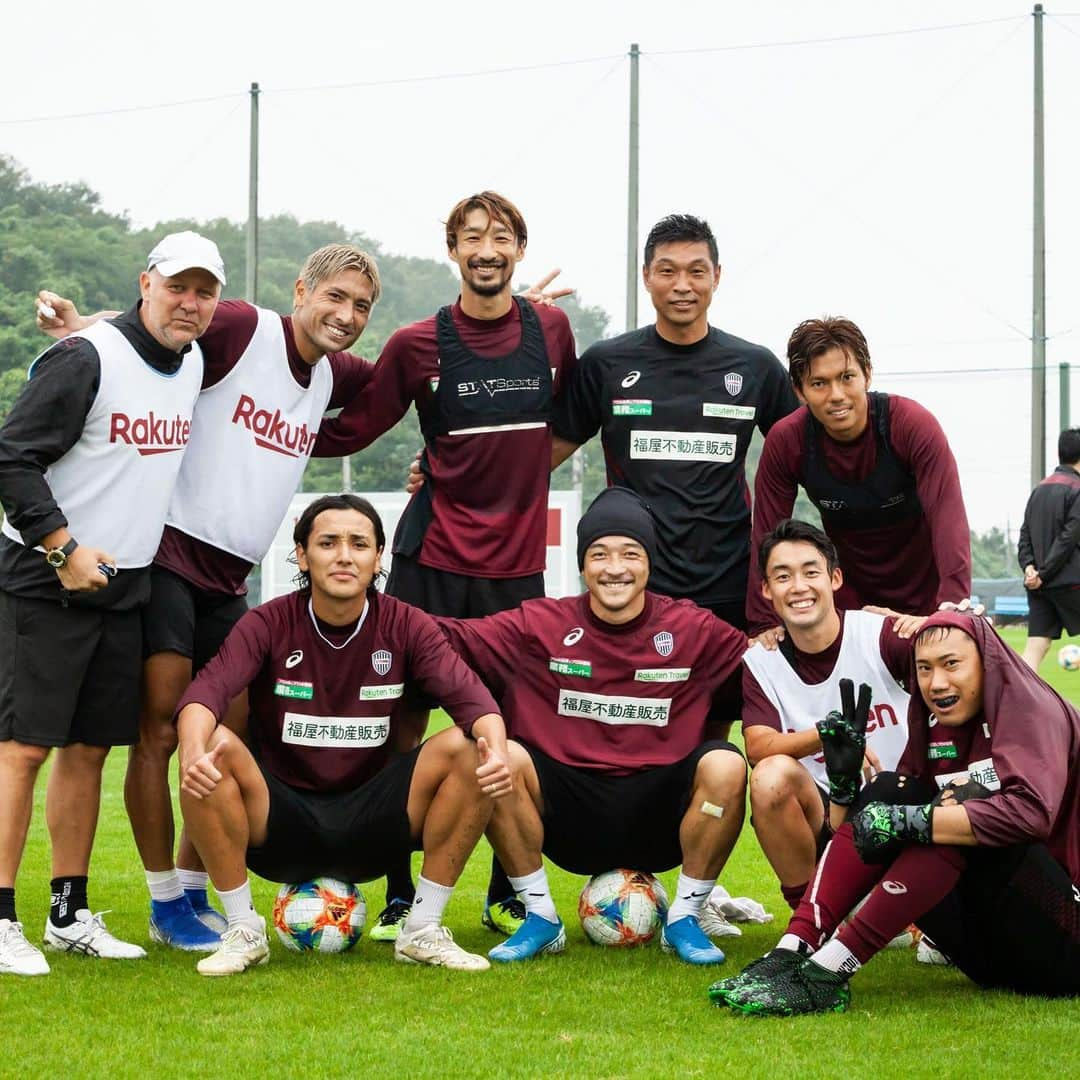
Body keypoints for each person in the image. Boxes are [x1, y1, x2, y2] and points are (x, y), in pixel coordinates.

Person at [36, 244, 380, 951]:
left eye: (361, 308)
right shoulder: (243, 326)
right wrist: (83, 325)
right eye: (335, 298)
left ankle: (195, 891)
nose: (345, 317)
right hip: (168, 558)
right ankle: (165, 901)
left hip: (233, 581)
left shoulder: (333, 373)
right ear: (300, 289)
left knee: (231, 732)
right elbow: (158, 324)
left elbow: (405, 378)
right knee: (162, 731)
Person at [314, 192, 577, 940]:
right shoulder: (415, 344)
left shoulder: (551, 330)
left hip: (515, 572)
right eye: (471, 238)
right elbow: (356, 428)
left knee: (512, 732)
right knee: (402, 725)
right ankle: (398, 893)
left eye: (500, 237)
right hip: (429, 558)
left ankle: (511, 894)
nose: (486, 249)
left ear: (519, 250)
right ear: (452, 251)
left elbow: (575, 421)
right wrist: (262, 422)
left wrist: (517, 474)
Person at [0, 231, 223, 976]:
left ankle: (68, 912)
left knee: (90, 750)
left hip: (126, 584)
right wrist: (61, 548)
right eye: (176, 286)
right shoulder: (86, 356)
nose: (189, 303)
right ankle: (1, 919)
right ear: (145, 283)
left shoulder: (190, 361)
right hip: (43, 575)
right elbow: (11, 455)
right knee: (23, 749)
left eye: (204, 291)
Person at [174, 494, 512, 976]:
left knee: (473, 750)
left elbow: (475, 702)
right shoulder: (267, 622)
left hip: (374, 822)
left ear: (378, 558)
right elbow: (205, 694)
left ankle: (423, 928)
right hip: (278, 821)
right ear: (301, 555)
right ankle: (243, 930)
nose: (344, 555)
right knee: (211, 745)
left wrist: (495, 749)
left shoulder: (406, 624)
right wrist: (191, 752)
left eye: (359, 543)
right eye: (328, 542)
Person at [435, 487, 749, 966]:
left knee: (727, 765)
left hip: (662, 815)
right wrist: (368, 610)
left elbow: (771, 668)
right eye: (599, 554)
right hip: (567, 816)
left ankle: (684, 918)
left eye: (630, 553)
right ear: (583, 565)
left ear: (650, 562)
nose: (614, 567)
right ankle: (541, 918)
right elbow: (443, 638)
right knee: (501, 757)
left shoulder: (694, 630)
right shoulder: (538, 625)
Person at [711, 611, 1080, 1015]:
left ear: (986, 660)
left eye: (951, 664)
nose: (937, 683)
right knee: (893, 790)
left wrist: (914, 821)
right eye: (924, 668)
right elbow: (877, 827)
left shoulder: (1028, 708)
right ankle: (793, 950)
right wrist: (844, 787)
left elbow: (1031, 813)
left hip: (1065, 942)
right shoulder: (934, 719)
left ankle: (828, 973)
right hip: (988, 956)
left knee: (944, 814)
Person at [551, 213, 798, 630]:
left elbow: (813, 458)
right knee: (645, 697)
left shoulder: (755, 366)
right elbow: (537, 458)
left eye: (696, 271)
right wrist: (443, 472)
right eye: (667, 271)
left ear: (716, 276)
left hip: (732, 583)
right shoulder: (607, 364)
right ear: (646, 276)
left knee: (731, 697)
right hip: (635, 584)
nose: (682, 285)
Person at [747, 316, 971, 635]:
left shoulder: (912, 425)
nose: (836, 394)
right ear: (799, 390)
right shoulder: (787, 441)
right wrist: (763, 623)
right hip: (845, 602)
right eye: (819, 383)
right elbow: (765, 536)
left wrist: (952, 608)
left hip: (925, 595)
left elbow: (948, 517)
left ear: (867, 374)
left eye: (847, 377)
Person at [742, 519, 915, 909]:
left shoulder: (879, 634)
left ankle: (915, 899)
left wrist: (927, 625)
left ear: (835, 578)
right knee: (770, 777)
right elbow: (758, 747)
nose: (799, 587)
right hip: (827, 813)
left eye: (810, 572)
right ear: (767, 591)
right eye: (783, 576)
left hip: (904, 801)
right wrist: (831, 734)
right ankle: (811, 914)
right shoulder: (761, 659)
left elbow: (960, 661)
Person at [1018, 427, 1080, 669]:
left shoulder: (1039, 489)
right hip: (1070, 582)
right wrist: (1043, 574)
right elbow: (1068, 539)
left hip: (1039, 586)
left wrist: (1029, 569)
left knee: (1036, 646)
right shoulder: (1076, 490)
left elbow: (1024, 537)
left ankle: (1017, 701)